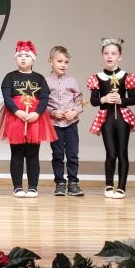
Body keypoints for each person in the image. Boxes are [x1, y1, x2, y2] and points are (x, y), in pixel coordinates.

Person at [0, 41, 57, 198]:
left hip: (34, 119)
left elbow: (44, 98)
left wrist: (37, 113)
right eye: (20, 56)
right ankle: (17, 186)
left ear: (33, 59)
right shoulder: (10, 77)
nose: (23, 58)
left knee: (33, 153)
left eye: (27, 56)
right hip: (16, 118)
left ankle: (33, 187)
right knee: (16, 153)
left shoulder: (39, 78)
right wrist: (17, 112)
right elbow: (6, 97)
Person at [87, 37, 135, 199]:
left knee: (122, 153)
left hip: (122, 118)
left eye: (113, 53)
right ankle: (109, 184)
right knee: (111, 153)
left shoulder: (126, 76)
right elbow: (93, 101)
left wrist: (121, 100)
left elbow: (133, 99)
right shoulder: (97, 77)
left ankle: (121, 187)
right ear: (102, 55)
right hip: (106, 118)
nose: (109, 56)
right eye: (106, 53)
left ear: (120, 56)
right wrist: (104, 99)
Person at [46, 46, 84, 196]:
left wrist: (74, 111)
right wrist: (53, 112)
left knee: (73, 153)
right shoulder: (45, 81)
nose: (63, 65)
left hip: (71, 124)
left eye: (66, 62)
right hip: (54, 125)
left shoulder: (72, 81)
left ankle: (73, 183)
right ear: (50, 62)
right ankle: (60, 183)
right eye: (59, 61)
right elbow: (42, 104)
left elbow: (79, 100)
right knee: (57, 154)